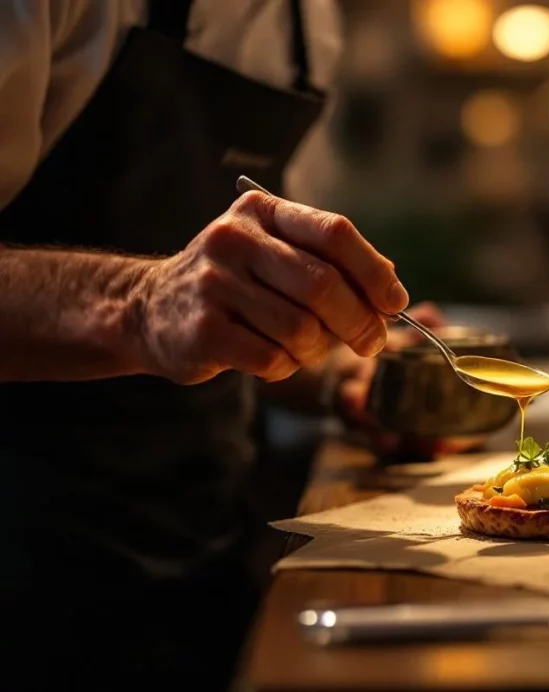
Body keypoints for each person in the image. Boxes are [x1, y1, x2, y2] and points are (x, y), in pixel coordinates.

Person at [0, 0, 443, 687]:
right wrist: (137, 305)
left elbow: (245, 305)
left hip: (209, 530)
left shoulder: (308, 22)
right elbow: (173, 309)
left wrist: (336, 369)